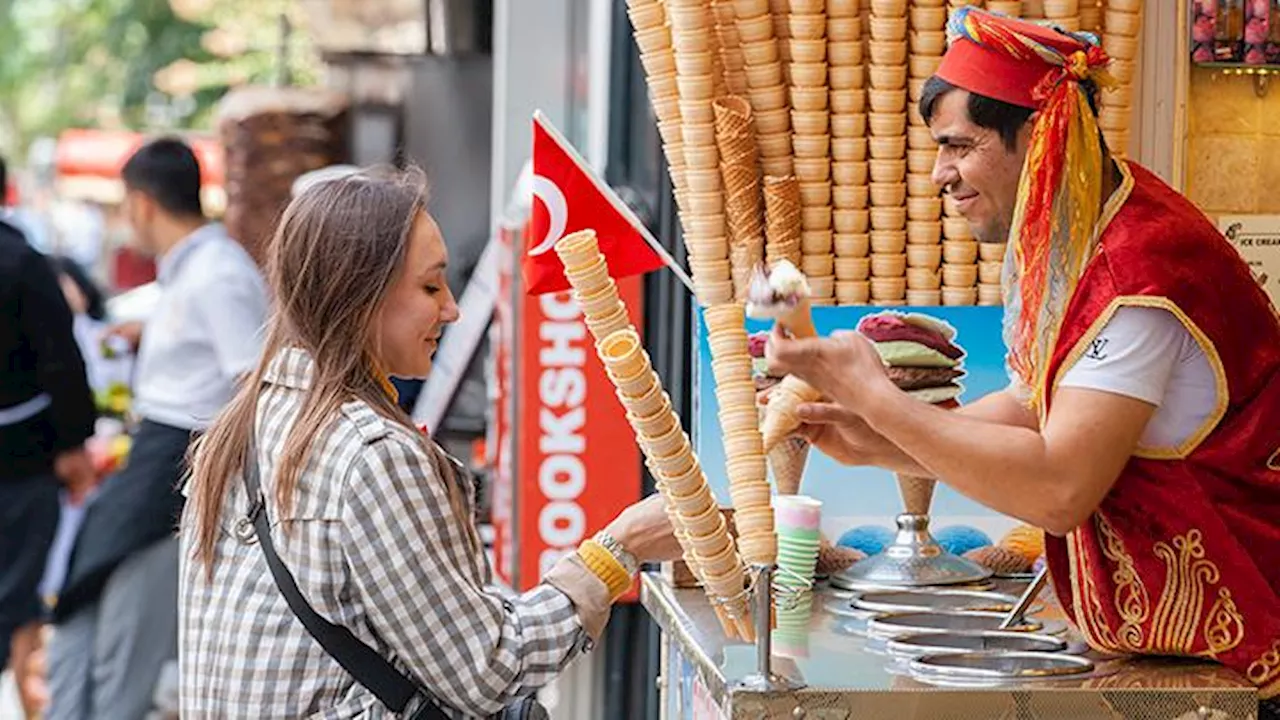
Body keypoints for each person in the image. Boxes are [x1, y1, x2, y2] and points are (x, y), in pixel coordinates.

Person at [767, 7, 1280, 704]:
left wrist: (881, 402)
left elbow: (1058, 488)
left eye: (960, 145)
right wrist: (870, 438)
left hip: (1247, 665)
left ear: (1041, 136)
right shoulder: (1070, 239)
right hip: (1168, 655)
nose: (939, 176)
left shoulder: (1138, 272)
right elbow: (1028, 412)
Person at [179, 166, 680, 718]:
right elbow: (487, 668)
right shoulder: (370, 455)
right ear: (360, 294)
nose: (452, 308)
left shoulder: (245, 425)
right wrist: (620, 548)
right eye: (430, 286)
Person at [45, 138, 269, 720]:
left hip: (175, 466)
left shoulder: (218, 273)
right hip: (157, 460)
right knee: (82, 610)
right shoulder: (194, 272)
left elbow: (254, 387)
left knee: (123, 644)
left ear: (143, 204)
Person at [0, 154, 98, 717]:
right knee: (20, 590)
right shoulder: (23, 261)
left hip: (25, 452)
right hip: (23, 457)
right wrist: (72, 443)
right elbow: (61, 359)